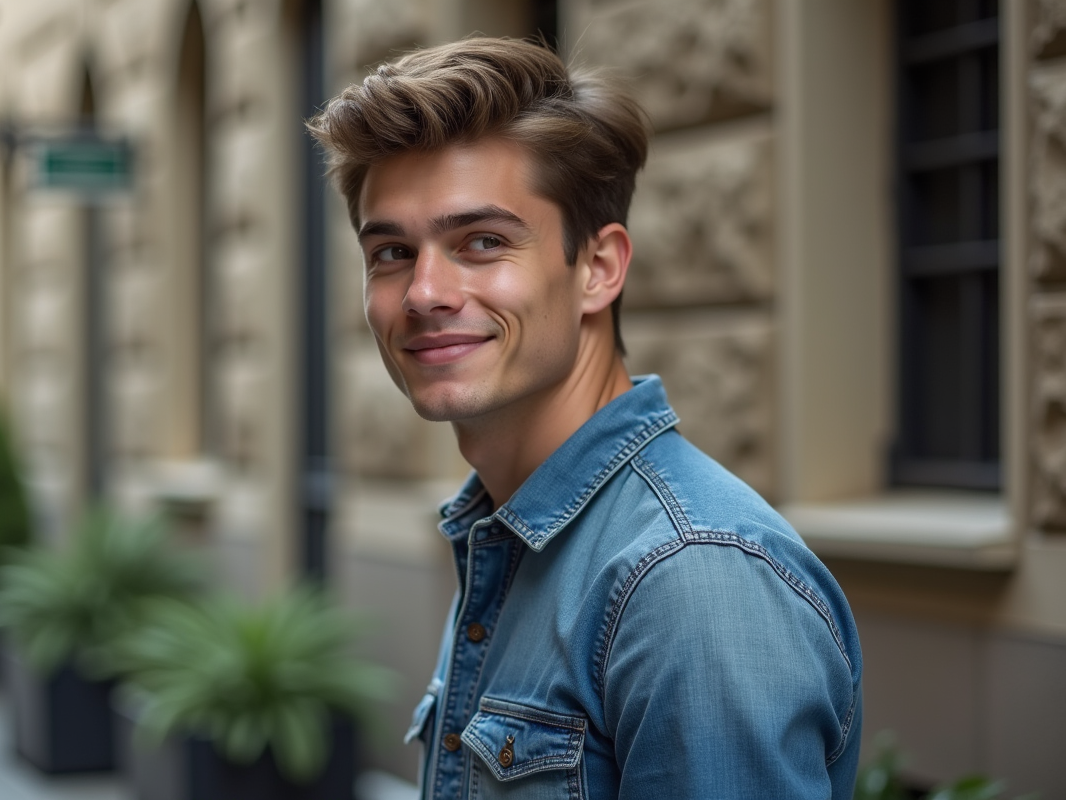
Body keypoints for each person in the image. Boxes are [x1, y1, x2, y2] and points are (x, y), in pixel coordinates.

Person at [308, 37, 862, 800]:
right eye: (393, 252)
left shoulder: (689, 577)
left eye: (483, 242)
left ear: (598, 268)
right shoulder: (509, 535)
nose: (424, 292)